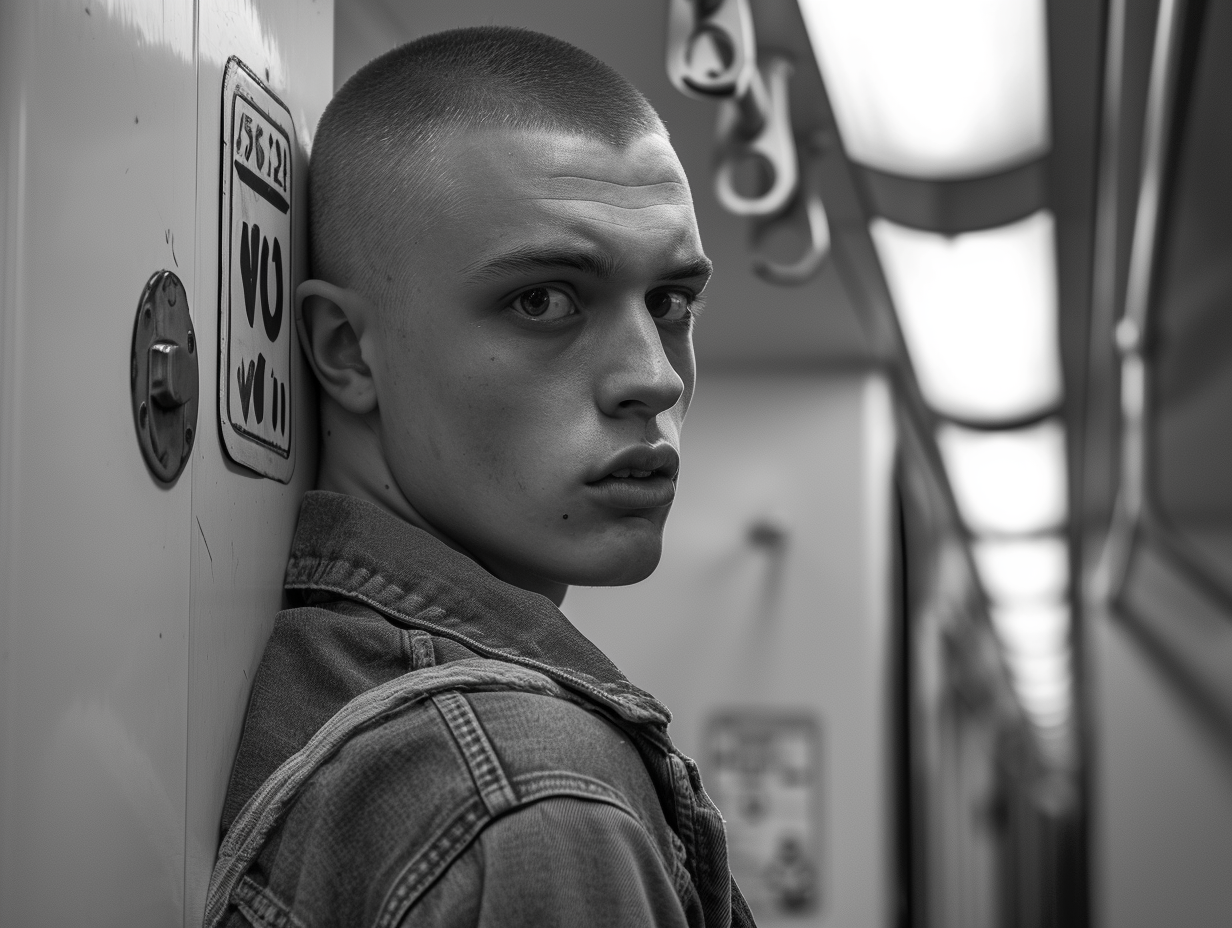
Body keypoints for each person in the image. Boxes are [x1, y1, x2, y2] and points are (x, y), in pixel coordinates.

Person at [206, 26, 754, 928]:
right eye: (543, 300)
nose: (655, 375)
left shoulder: (347, 685)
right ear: (346, 351)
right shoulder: (530, 803)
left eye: (670, 303)